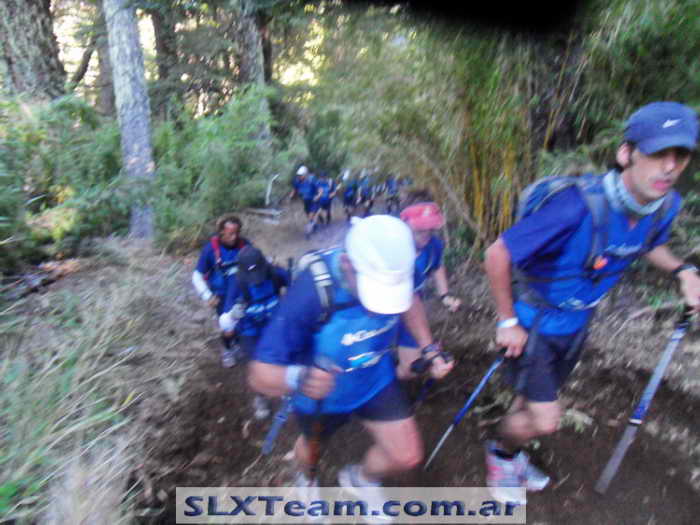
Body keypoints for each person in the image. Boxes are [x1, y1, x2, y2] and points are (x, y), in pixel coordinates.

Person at [483, 101, 700, 503]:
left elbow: (651, 245)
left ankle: (511, 455)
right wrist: (506, 321)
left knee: (528, 400)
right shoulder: (575, 205)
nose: (670, 167)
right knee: (546, 419)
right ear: (626, 153)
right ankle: (499, 453)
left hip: (577, 323)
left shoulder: (663, 207)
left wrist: (683, 271)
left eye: (681, 155)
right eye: (658, 153)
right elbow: (498, 253)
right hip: (534, 324)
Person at [248, 215, 453, 517]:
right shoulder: (312, 291)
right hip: (321, 394)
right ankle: (306, 481)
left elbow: (410, 301)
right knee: (312, 450)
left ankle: (362, 479)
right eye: (374, 292)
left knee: (407, 456)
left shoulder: (397, 267)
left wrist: (429, 348)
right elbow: (259, 374)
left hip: (374, 380)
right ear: (347, 264)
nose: (378, 308)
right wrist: (300, 379)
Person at [219, 245, 290, 419]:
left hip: (273, 326)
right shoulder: (237, 284)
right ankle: (261, 397)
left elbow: (295, 284)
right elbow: (224, 322)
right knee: (257, 364)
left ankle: (284, 389)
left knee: (282, 357)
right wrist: (232, 315)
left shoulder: (275, 274)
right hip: (249, 331)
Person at [395, 197, 462, 380]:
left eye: (430, 229)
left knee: (410, 370)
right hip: (380, 311)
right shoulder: (391, 249)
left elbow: (437, 266)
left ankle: (390, 383)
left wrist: (444, 295)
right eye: (419, 230)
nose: (425, 235)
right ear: (404, 224)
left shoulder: (433, 246)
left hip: (412, 308)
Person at [191, 214, 251, 368]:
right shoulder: (210, 250)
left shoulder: (245, 245)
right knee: (227, 326)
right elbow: (197, 276)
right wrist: (207, 296)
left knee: (241, 322)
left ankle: (236, 344)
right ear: (221, 232)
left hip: (242, 292)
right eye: (230, 233)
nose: (234, 237)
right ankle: (227, 349)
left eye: (237, 233)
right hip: (221, 295)